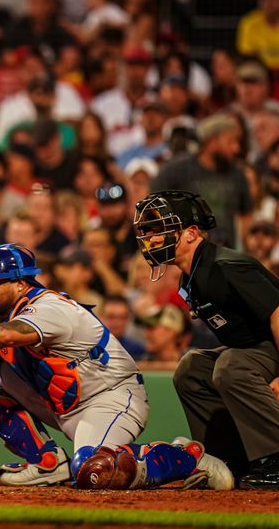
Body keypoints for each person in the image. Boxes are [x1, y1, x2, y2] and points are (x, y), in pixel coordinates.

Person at [0, 243, 233, 490]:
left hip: (111, 398)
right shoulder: (7, 311)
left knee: (94, 471)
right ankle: (47, 462)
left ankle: (186, 458)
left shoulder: (49, 306)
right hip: (65, 403)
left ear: (18, 283)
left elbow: (7, 335)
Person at [134, 190, 279, 489]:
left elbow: (278, 312)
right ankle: (230, 460)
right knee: (191, 367)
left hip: (270, 348)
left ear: (190, 233)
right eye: (147, 231)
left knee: (230, 365)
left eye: (159, 229)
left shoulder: (227, 267)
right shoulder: (191, 277)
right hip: (253, 350)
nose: (151, 238)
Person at [152, 113, 252, 248]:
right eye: (231, 141)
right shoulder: (177, 170)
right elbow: (152, 206)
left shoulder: (237, 174)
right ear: (212, 141)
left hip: (226, 253)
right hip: (187, 254)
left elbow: (246, 214)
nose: (236, 148)